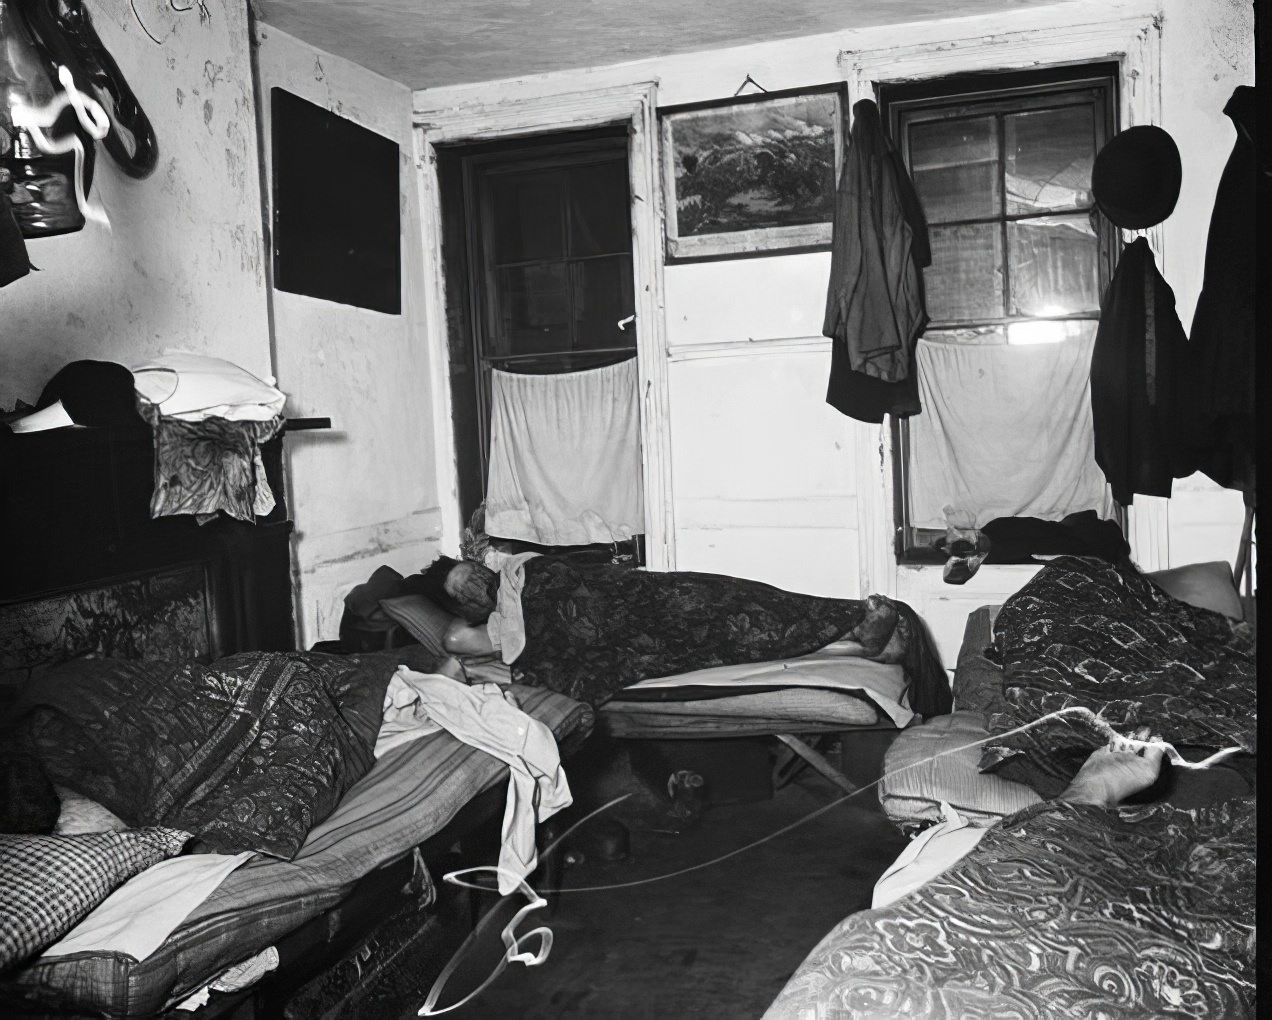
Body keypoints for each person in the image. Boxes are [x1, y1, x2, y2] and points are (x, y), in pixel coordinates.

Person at [410, 553, 953, 713]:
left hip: (644, 593)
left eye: (471, 570)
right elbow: (456, 641)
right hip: (632, 635)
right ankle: (860, 632)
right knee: (732, 632)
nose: (478, 581)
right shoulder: (496, 627)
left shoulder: (519, 570)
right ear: (463, 604)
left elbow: (578, 580)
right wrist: (477, 614)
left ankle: (853, 622)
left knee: (738, 595)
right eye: (465, 587)